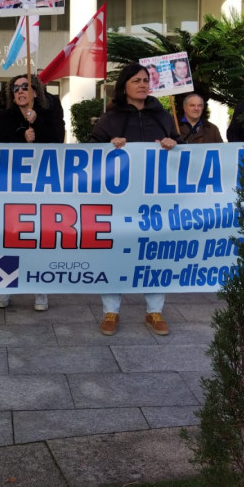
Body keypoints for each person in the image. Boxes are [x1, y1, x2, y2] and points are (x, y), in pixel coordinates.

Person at [88, 63, 179, 336]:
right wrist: (109, 145)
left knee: (155, 254)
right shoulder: (110, 118)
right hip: (119, 202)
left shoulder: (163, 116)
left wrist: (173, 144)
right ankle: (110, 312)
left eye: (145, 80)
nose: (142, 84)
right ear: (124, 86)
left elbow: (180, 149)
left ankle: (154, 311)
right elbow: (91, 151)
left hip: (155, 201)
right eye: (136, 80)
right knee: (114, 252)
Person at [0, 74, 64, 311]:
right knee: (7, 235)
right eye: (15, 88)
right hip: (11, 185)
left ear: (36, 92)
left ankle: (40, 289)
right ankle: (4, 287)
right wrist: (20, 137)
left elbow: (57, 141)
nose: (20, 91)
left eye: (26, 87)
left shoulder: (50, 112)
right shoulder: (5, 116)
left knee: (39, 235)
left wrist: (38, 124)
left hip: (42, 185)